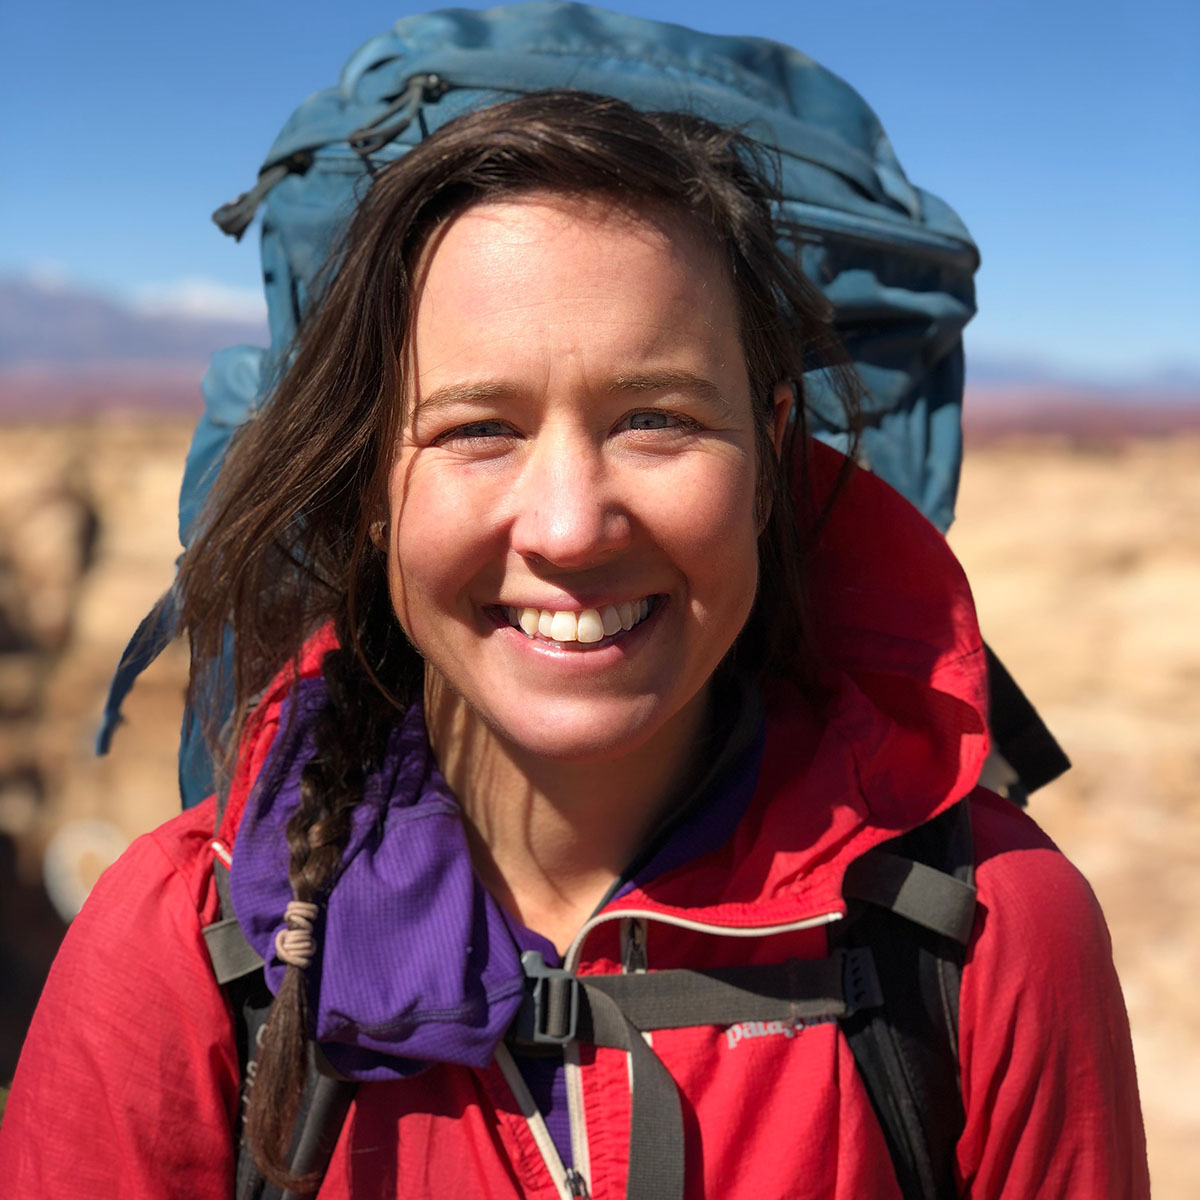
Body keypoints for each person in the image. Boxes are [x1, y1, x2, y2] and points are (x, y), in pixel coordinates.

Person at [0, 91, 1147, 1199]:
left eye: (656, 419)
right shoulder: (180, 954)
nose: (567, 526)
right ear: (370, 495)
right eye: (476, 429)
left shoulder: (986, 933)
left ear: (769, 457)